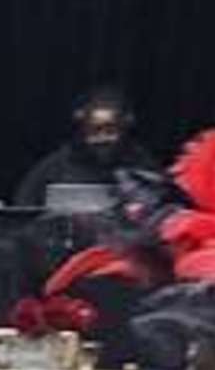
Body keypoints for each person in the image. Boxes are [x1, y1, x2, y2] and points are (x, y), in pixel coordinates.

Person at [13, 83, 167, 252]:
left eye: (110, 131)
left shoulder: (144, 166)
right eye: (94, 131)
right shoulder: (54, 166)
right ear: (82, 128)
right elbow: (23, 215)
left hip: (126, 258)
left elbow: (165, 215)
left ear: (125, 126)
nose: (102, 139)